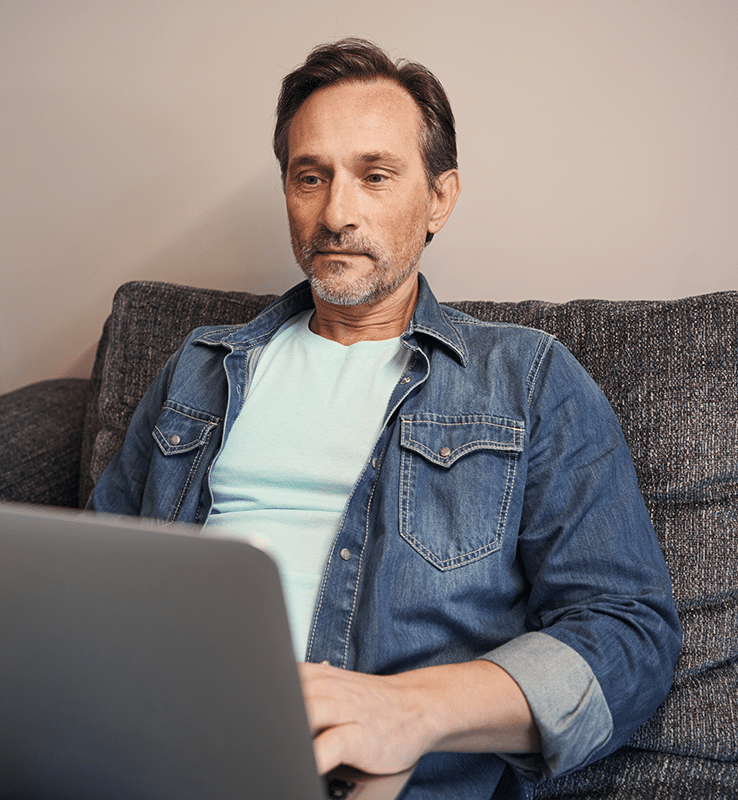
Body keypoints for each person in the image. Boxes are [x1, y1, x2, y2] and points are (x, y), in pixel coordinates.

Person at [89, 38, 682, 798]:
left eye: (375, 176)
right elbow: (97, 573)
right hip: (155, 754)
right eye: (311, 178)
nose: (337, 213)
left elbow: (630, 637)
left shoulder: (528, 379)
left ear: (439, 197)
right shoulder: (200, 368)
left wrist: (404, 712)